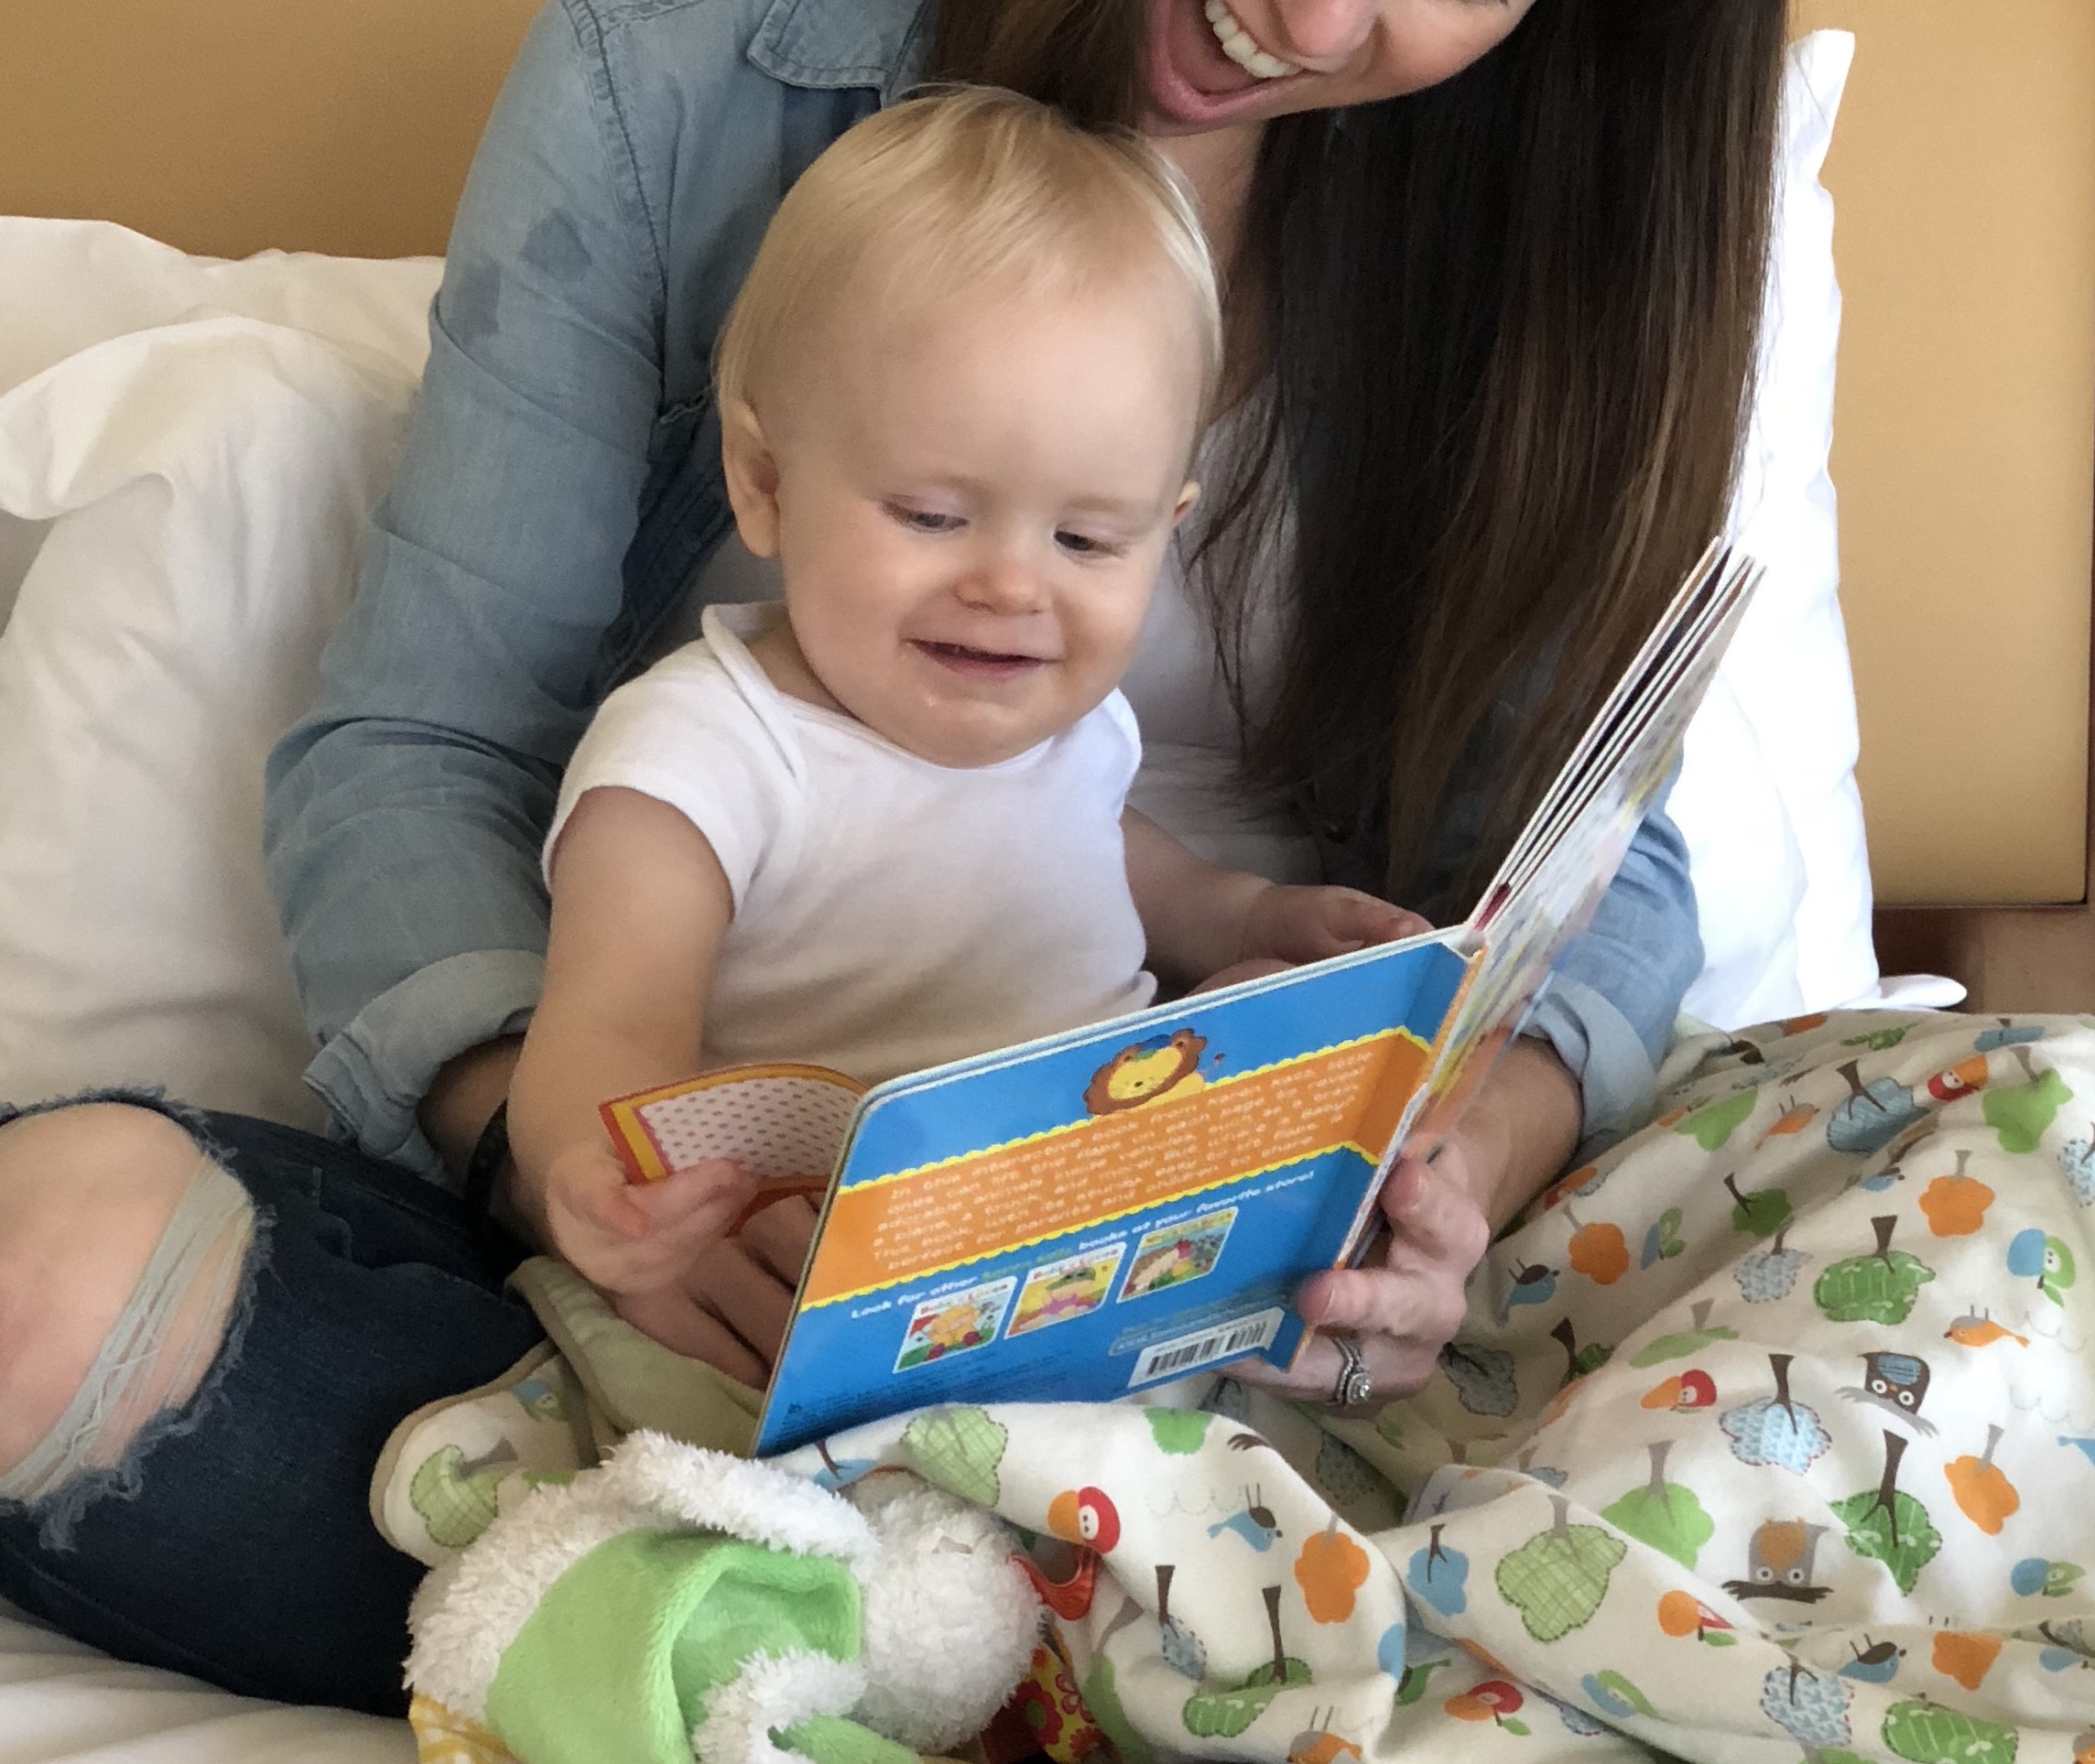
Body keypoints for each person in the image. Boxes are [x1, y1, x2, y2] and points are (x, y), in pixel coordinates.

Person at [0, 0, 1827, 1712]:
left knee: (2090, 1145)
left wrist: (1472, 1151)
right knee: (24, 1275)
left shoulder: (1562, 235)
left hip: (1229, 1288)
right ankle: (861, 1609)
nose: (1326, 8)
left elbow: (1596, 851)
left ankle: (811, 1637)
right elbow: (416, 740)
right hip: (690, 1232)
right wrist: (579, 1153)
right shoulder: (680, 73)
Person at [519, 86, 1422, 1374]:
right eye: (934, 516)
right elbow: (604, 1022)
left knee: (1285, 1039)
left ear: (1165, 525)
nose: (1010, 587)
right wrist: (591, 1179)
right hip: (812, 1295)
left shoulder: (1073, 726)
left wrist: (1245, 918)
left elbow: (1113, 847)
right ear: (765, 481)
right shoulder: (700, 753)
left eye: (1084, 539)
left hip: (1075, 1264)